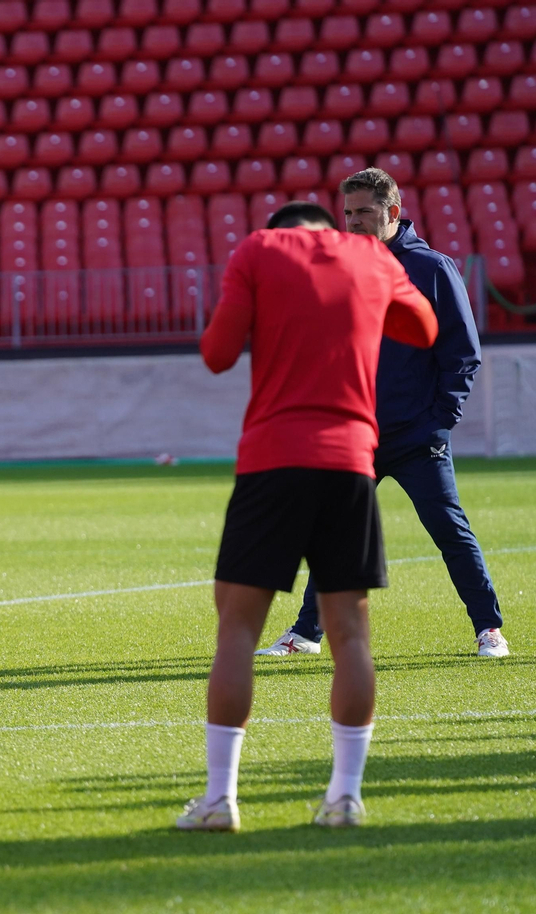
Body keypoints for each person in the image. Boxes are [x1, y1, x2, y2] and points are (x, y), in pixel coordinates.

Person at [179, 202, 438, 833]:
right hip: (350, 460)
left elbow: (215, 353)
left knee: (237, 631)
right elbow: (424, 329)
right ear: (329, 226)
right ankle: (345, 796)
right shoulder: (372, 256)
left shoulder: (258, 252)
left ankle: (220, 800)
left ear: (279, 230)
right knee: (349, 633)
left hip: (272, 459)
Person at [258, 168, 509, 659]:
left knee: (450, 532)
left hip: (418, 434)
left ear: (392, 212)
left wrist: (441, 417)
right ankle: (307, 634)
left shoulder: (433, 268)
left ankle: (489, 629)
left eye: (364, 212)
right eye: (348, 213)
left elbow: (462, 352)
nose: (352, 222)